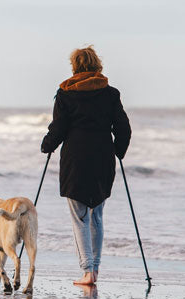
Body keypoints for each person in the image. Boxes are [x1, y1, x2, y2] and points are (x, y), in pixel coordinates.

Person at [41, 45, 131, 285]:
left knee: (80, 216)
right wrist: (119, 151)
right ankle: (95, 270)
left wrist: (47, 145)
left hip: (75, 159)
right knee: (97, 216)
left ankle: (87, 271)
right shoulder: (110, 93)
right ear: (96, 64)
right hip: (102, 156)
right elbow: (123, 127)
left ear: (75, 66)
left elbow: (58, 127)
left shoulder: (65, 92)